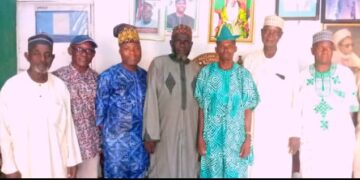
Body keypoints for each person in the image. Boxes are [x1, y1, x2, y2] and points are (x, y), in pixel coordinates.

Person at [0, 33, 82, 178]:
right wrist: (9, 167)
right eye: (36, 54)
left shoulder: (60, 86)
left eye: (47, 54)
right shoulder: (11, 87)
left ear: (53, 57)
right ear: (27, 56)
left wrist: (72, 160)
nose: (42, 59)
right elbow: (3, 132)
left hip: (56, 164)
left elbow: (68, 127)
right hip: (24, 165)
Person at [195, 23, 259, 178]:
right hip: (212, 139)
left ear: (235, 48)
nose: (226, 50)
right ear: (216, 49)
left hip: (236, 141)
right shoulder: (206, 74)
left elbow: (248, 109)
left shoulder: (244, 76)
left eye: (229, 46)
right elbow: (202, 108)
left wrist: (248, 139)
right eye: (222, 46)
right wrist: (200, 138)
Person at [243, 15, 301, 178]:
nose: (270, 36)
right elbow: (245, 98)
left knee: (278, 169)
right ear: (261, 33)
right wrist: (245, 132)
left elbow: (296, 99)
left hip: (280, 130)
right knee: (254, 169)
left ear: (280, 36)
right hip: (256, 127)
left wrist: (295, 133)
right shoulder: (250, 60)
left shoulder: (289, 62)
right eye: (267, 32)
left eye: (275, 33)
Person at [297, 30, 358, 178]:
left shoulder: (346, 75)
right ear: (312, 50)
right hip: (311, 142)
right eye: (320, 47)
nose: (325, 51)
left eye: (329, 48)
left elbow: (352, 109)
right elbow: (296, 110)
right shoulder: (302, 77)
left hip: (340, 141)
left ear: (333, 50)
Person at [142, 24, 200, 178]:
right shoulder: (159, 64)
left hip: (191, 131)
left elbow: (202, 106)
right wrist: (150, 135)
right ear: (171, 43)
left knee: (189, 168)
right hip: (164, 132)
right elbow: (151, 99)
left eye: (186, 41)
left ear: (191, 45)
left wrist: (202, 137)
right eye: (178, 41)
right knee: (164, 168)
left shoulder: (197, 69)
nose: (182, 44)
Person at [95, 24, 149, 178]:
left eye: (136, 48)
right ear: (120, 52)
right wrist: (104, 147)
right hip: (116, 149)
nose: (133, 52)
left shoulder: (146, 77)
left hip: (140, 147)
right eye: (127, 49)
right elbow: (100, 117)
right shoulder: (108, 77)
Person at [52, 35, 100, 178]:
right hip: (64, 146)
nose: (85, 54)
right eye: (80, 49)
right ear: (70, 50)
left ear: (93, 55)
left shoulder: (98, 79)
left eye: (89, 51)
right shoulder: (57, 78)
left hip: (90, 145)